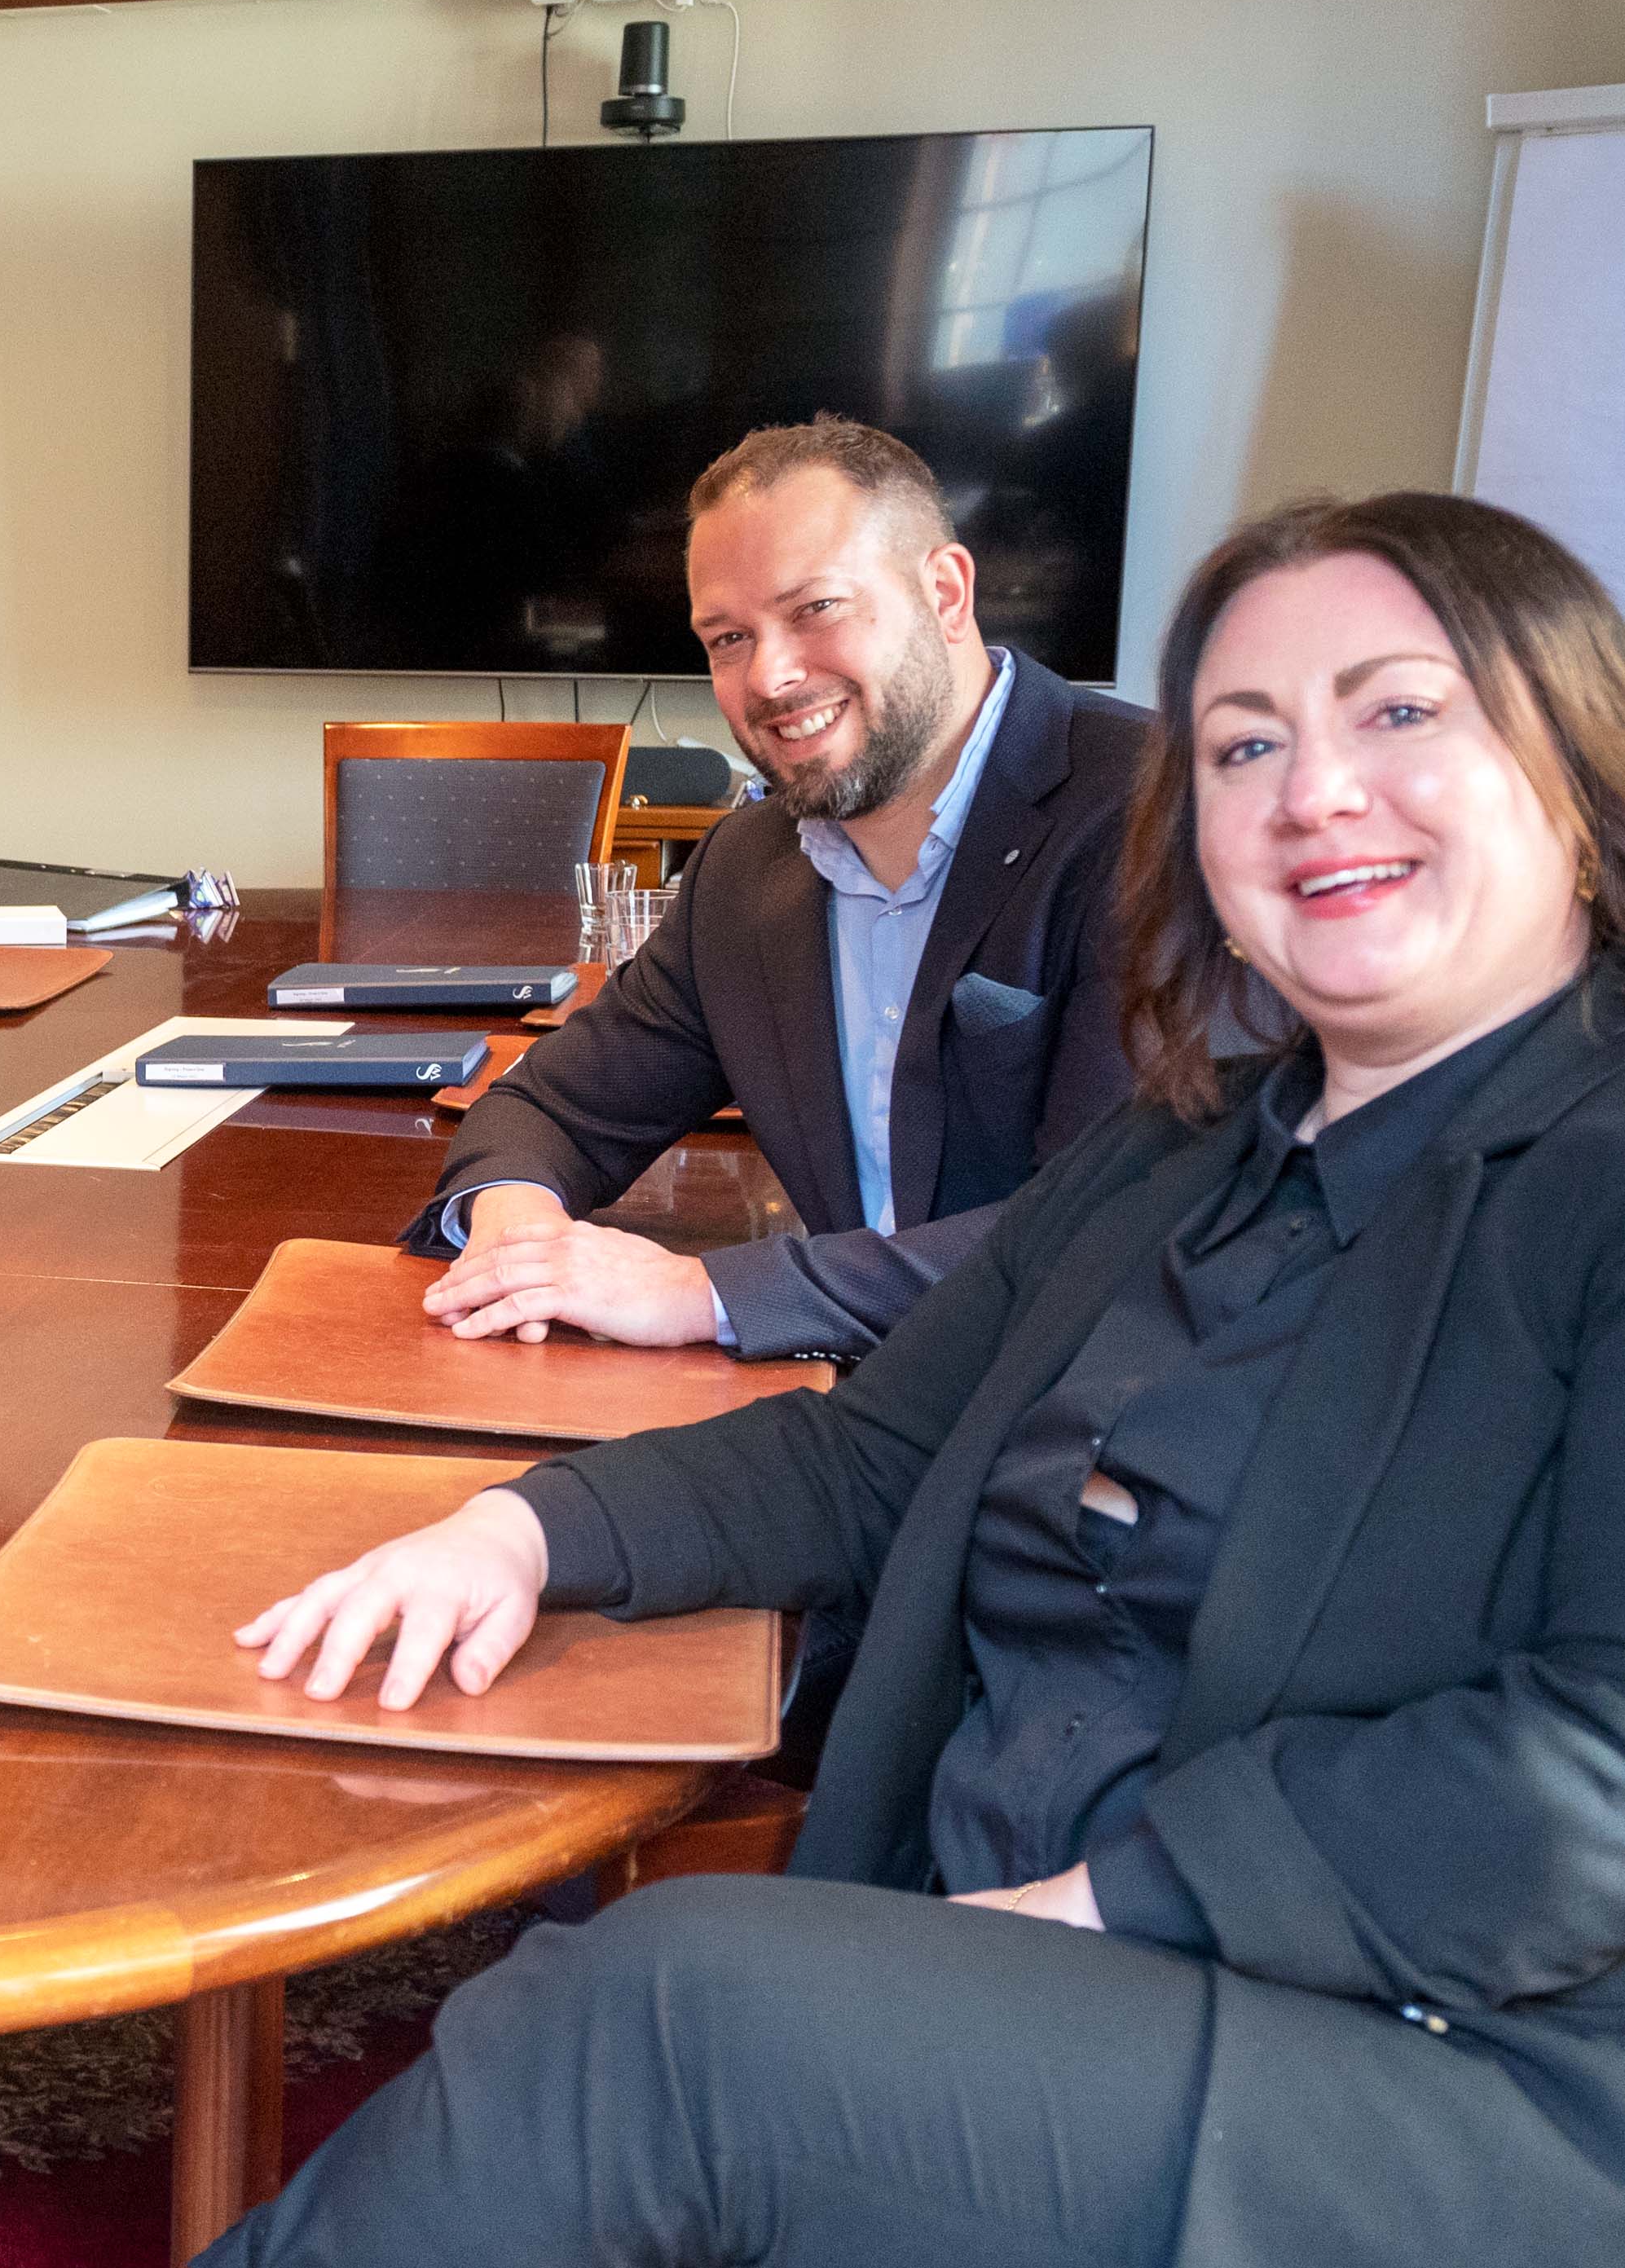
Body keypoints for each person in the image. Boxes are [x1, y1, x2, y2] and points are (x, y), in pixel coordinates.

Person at [218, 491, 1625, 2266]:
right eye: (1247, 741)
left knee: (656, 2018)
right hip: (1046, 1945)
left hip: (1429, 2056)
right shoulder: (1188, 1148)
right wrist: (518, 1532)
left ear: (1571, 757)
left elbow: (1595, 1766)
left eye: (1400, 711)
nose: (1316, 789)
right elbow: (868, 1458)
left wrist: (1083, 1910)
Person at [411, 413, 1152, 1362]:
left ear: (947, 592)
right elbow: (546, 1109)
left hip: (1097, 1434)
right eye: (727, 637)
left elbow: (1110, 1236)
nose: (769, 676)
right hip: (855, 1416)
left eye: (816, 609)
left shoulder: (1154, 814)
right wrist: (520, 1235)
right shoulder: (747, 866)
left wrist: (700, 1289)